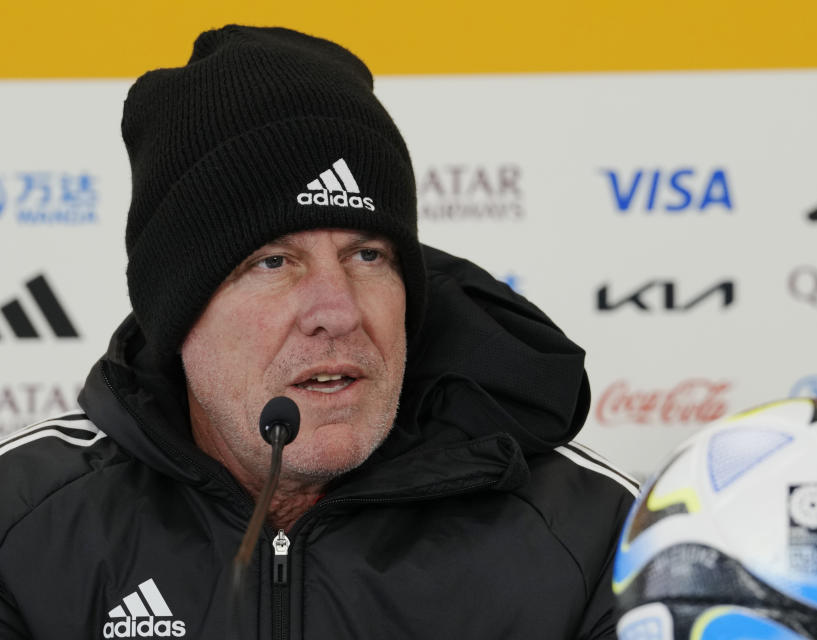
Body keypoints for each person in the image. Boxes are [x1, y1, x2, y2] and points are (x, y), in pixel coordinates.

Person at [0, 25, 638, 639]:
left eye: (368, 256)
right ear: (178, 311)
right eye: (272, 262)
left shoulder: (593, 538)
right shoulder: (22, 525)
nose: (338, 310)